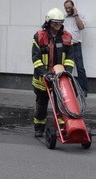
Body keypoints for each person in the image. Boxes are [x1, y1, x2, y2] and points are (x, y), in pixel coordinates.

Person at [31, 8, 75, 137]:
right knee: (41, 106)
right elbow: (36, 58)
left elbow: (70, 58)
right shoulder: (39, 36)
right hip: (42, 80)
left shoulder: (67, 37)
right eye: (55, 22)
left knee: (61, 105)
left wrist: (66, 73)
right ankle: (39, 128)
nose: (57, 24)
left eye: (60, 22)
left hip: (60, 79)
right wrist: (44, 73)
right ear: (49, 22)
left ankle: (62, 129)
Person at [63, 0, 88, 94]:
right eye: (66, 8)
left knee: (80, 67)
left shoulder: (79, 16)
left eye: (69, 7)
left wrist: (76, 16)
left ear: (73, 7)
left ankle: (83, 90)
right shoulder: (63, 18)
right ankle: (68, 90)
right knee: (67, 69)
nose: (68, 10)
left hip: (76, 45)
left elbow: (81, 27)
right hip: (66, 46)